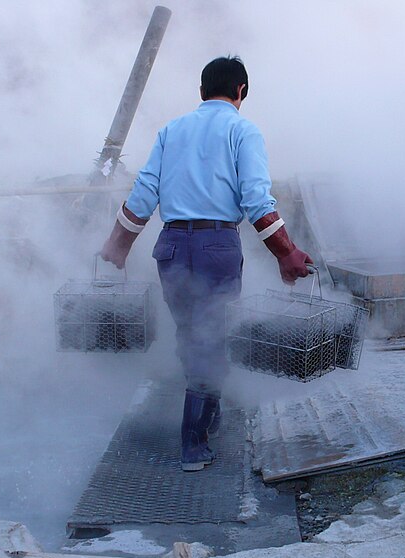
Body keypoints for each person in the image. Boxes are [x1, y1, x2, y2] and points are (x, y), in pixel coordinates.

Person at [99, 56, 313, 472]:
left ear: (201, 91)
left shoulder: (172, 131)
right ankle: (193, 443)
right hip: (217, 247)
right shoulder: (243, 130)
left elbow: (143, 193)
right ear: (241, 92)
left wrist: (117, 244)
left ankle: (209, 413)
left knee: (190, 334)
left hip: (173, 246)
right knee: (211, 339)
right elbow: (256, 199)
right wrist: (286, 253)